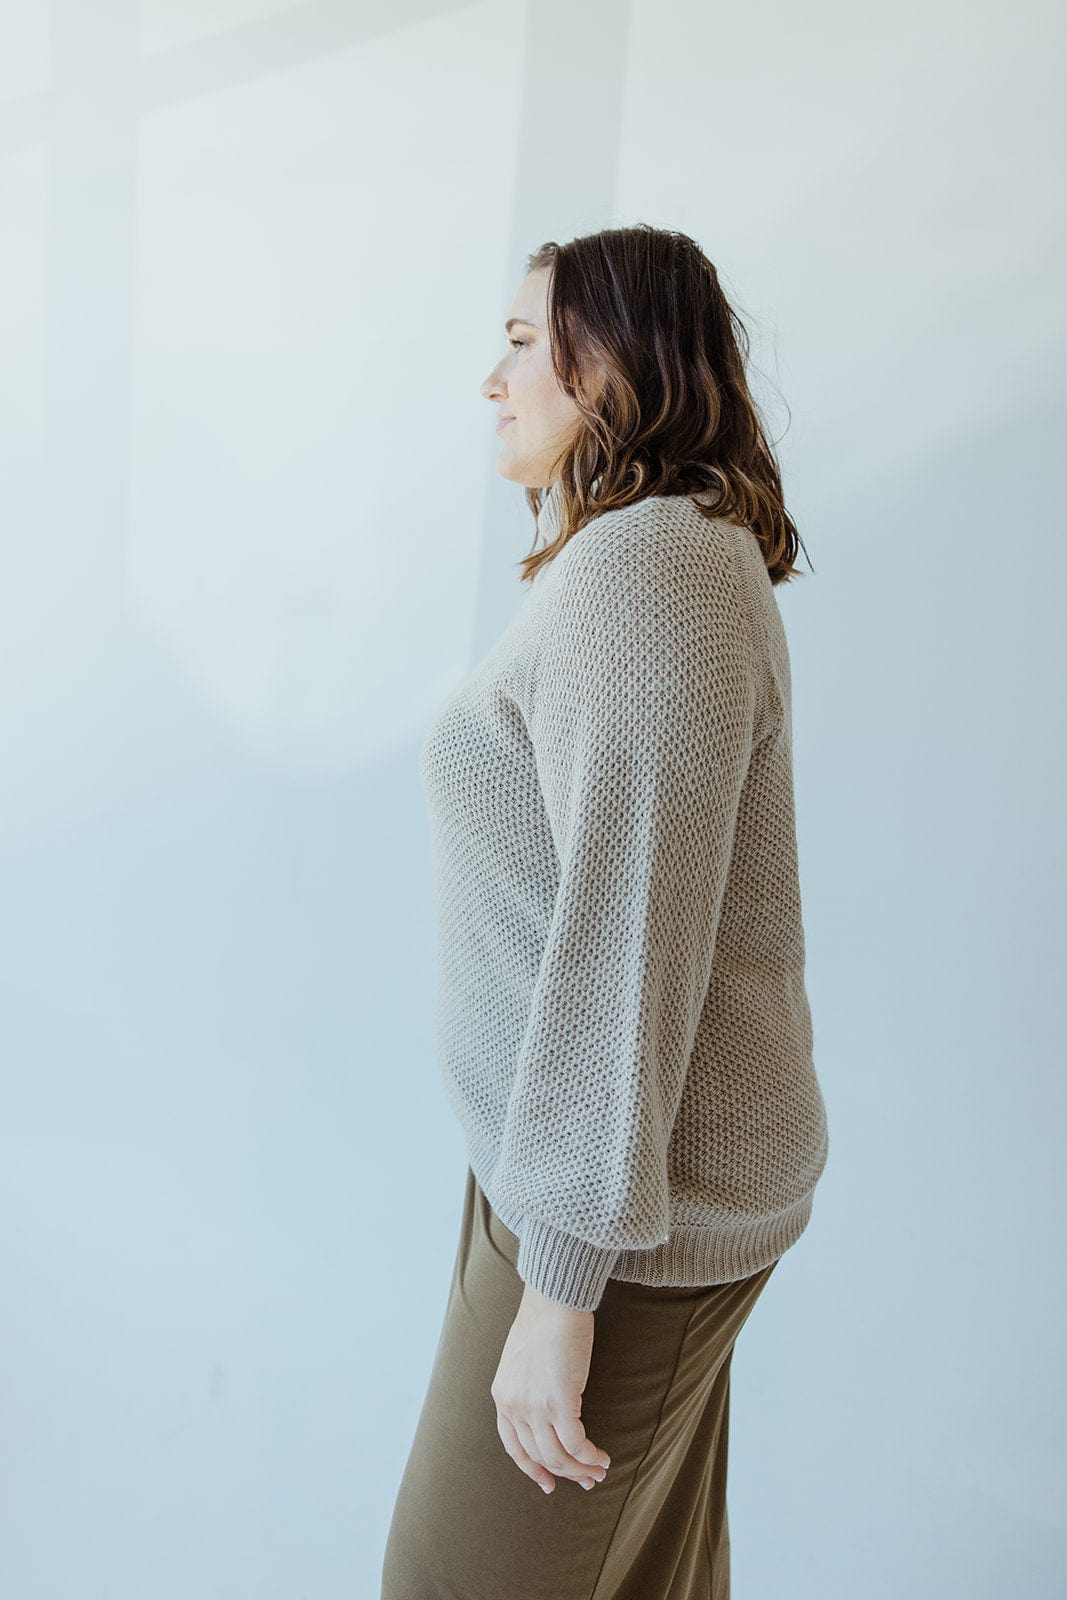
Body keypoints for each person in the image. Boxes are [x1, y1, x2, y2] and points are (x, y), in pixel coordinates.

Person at [380, 223, 830, 1599]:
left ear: (612, 358)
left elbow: (630, 935)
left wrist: (561, 1288)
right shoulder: (641, 560)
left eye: (522, 342)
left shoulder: (654, 574)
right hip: (586, 1185)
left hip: (619, 1227)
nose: (493, 379)